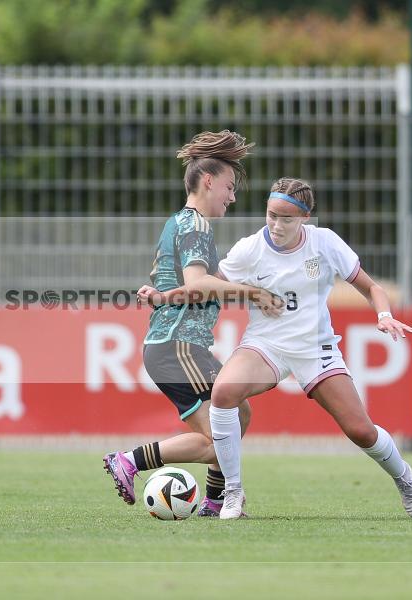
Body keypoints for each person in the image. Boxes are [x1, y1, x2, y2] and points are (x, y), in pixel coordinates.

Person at [152, 177, 412, 520]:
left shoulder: (324, 243)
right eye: (271, 215)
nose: (276, 225)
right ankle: (233, 492)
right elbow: (204, 287)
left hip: (315, 348)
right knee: (223, 393)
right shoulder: (250, 249)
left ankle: (404, 478)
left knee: (361, 430)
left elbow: (372, 288)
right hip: (265, 345)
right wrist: (164, 296)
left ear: (305, 219)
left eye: (287, 219)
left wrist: (384, 315)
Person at [103, 130, 283, 517]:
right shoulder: (197, 225)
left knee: (238, 413)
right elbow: (198, 285)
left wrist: (160, 295)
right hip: (177, 344)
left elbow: (189, 284)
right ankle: (130, 461)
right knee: (219, 440)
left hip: (177, 344)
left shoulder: (181, 223)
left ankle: (215, 500)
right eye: (229, 187)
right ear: (208, 181)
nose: (232, 197)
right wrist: (253, 292)